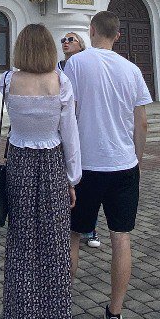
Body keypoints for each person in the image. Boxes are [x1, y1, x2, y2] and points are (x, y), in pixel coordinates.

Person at [61, 10, 151, 319]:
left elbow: (68, 112)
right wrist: (136, 159)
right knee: (121, 238)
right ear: (118, 35)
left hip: (85, 166)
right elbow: (142, 122)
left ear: (92, 30)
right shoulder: (132, 69)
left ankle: (62, 306)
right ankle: (115, 313)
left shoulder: (76, 64)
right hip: (123, 165)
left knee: (73, 235)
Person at [1, 24, 82, 319]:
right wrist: (72, 178)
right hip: (52, 164)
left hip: (19, 162)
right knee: (55, 244)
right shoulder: (60, 82)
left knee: (22, 242)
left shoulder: (8, 80)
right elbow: (69, 134)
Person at [58, 31, 100, 250]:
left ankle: (90, 229)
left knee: (86, 183)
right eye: (63, 40)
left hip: (83, 128)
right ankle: (65, 224)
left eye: (70, 40)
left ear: (81, 44)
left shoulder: (87, 65)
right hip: (65, 128)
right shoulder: (58, 67)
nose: (65, 43)